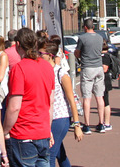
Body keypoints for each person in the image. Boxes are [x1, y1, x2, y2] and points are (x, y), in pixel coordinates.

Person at [3, 28, 55, 167]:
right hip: (42, 132)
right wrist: (48, 129)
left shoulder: (19, 69)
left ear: (18, 44)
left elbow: (14, 107)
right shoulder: (47, 67)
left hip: (23, 133)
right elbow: (50, 102)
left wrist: (5, 130)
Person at [40, 39, 83, 167]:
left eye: (41, 53)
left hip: (60, 117)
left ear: (49, 55)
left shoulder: (61, 73)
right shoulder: (42, 71)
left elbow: (71, 100)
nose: (38, 55)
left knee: (50, 153)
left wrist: (77, 125)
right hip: (48, 117)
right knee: (60, 153)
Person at [74, 19, 105, 134]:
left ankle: (87, 125)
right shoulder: (100, 37)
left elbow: (77, 52)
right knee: (99, 96)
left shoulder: (82, 38)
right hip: (99, 67)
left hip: (87, 67)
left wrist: (79, 56)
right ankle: (101, 123)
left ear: (85, 27)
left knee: (87, 97)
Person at [100, 43, 114, 131]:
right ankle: (103, 121)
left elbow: (104, 68)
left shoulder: (105, 56)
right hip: (102, 79)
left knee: (105, 101)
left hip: (105, 79)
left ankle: (107, 122)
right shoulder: (104, 55)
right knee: (102, 100)